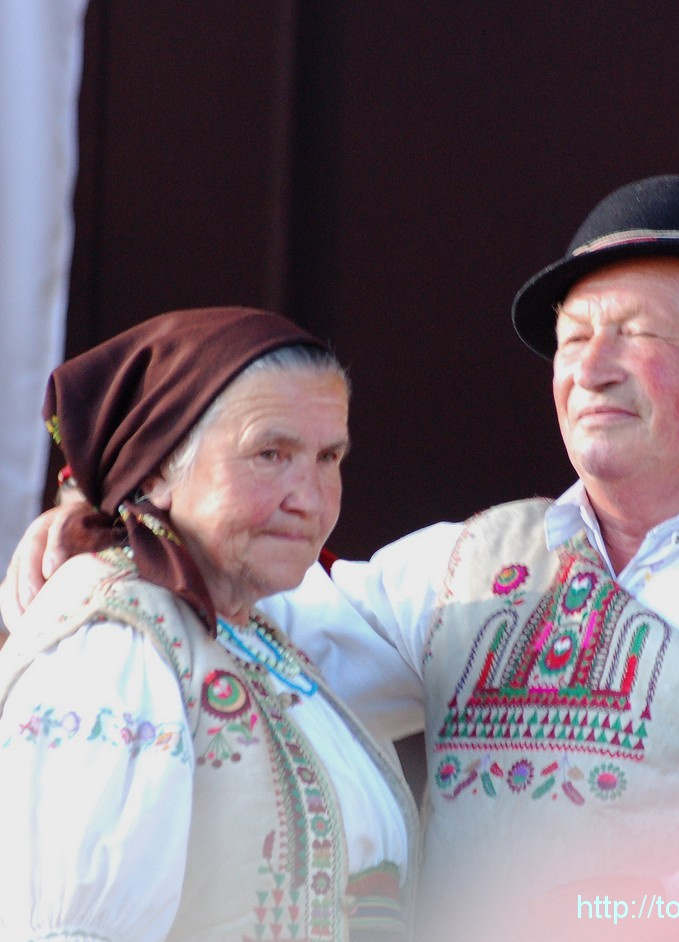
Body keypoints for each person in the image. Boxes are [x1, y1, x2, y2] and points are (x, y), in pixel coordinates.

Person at [4, 178, 679, 941]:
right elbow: (228, 627)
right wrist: (119, 521)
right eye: (573, 336)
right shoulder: (453, 570)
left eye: (637, 333)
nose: (590, 368)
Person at [0, 307, 418, 942]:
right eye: (270, 453)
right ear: (161, 468)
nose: (307, 496)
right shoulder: (116, 643)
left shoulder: (256, 631)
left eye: (328, 456)